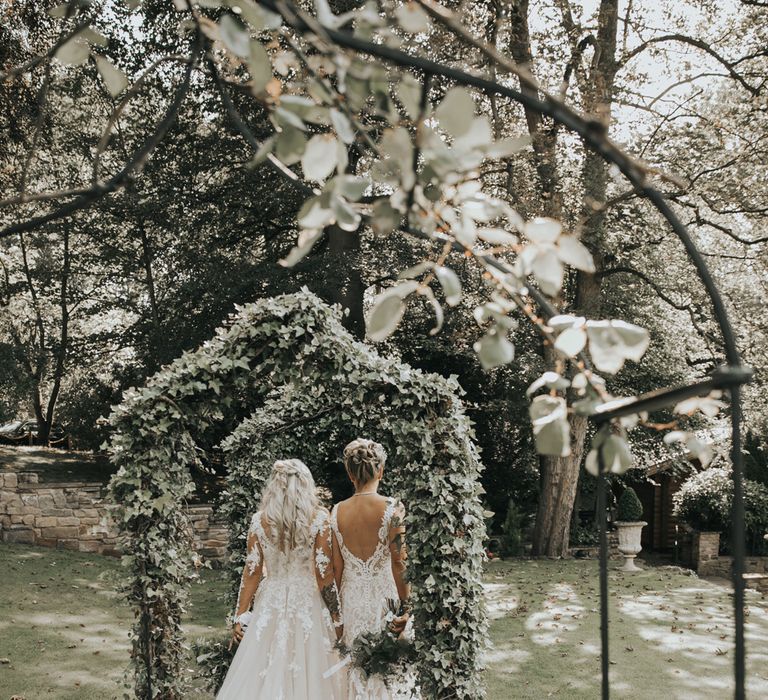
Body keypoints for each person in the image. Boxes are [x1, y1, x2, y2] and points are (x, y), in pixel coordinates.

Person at [216, 459, 345, 699]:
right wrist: (337, 617)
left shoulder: (260, 520)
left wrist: (240, 615)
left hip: (271, 602)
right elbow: (324, 574)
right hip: (309, 604)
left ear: (274, 486)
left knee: (262, 669)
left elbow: (252, 570)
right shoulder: (319, 518)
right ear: (307, 485)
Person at [331, 438, 417, 699]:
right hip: (385, 598)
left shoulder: (335, 512)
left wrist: (336, 616)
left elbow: (336, 568)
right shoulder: (393, 509)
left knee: (356, 666)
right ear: (381, 470)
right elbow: (399, 560)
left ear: (349, 474)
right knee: (389, 666)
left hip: (352, 600)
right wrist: (408, 606)